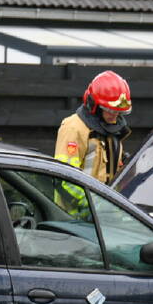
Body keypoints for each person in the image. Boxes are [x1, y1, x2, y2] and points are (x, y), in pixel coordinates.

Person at [54, 70, 132, 212]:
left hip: (104, 217)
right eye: (109, 110)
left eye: (118, 111)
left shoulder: (112, 131)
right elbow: (64, 179)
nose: (114, 116)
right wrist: (95, 205)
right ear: (93, 104)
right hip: (73, 220)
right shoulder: (74, 128)